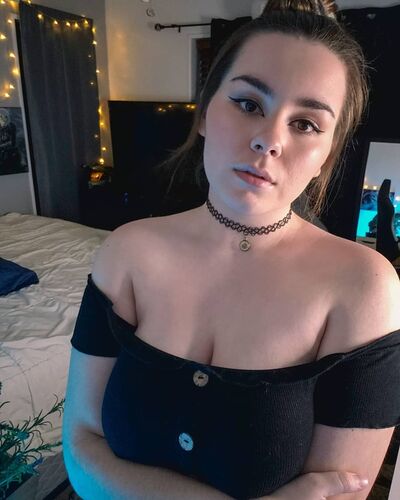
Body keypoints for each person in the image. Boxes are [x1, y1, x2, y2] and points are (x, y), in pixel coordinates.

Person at [63, 0, 400, 498]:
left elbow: (341, 492)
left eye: (306, 124)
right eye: (248, 104)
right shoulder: (126, 253)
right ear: (204, 113)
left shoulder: (363, 287)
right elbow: (81, 450)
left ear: (326, 156)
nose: (268, 140)